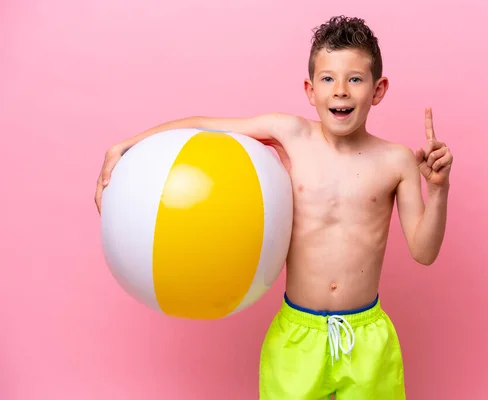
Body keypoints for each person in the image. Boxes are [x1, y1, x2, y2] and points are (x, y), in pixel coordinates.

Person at [94, 15, 452, 399]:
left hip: (366, 337)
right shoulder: (290, 135)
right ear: (310, 89)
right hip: (297, 334)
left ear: (378, 89)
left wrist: (439, 189)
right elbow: (203, 127)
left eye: (355, 79)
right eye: (328, 78)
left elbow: (424, 252)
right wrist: (126, 145)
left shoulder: (395, 160)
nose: (341, 91)